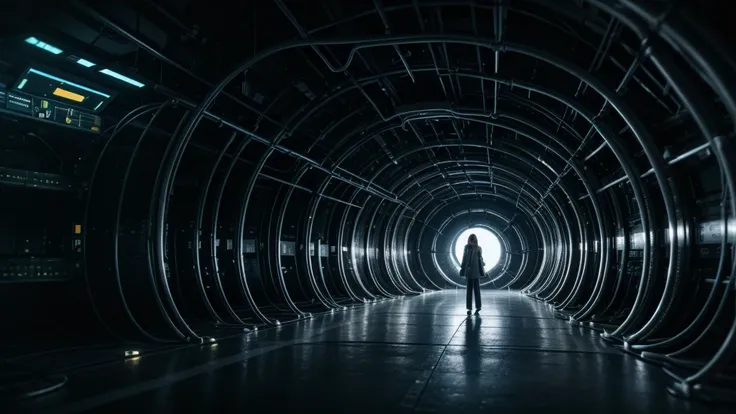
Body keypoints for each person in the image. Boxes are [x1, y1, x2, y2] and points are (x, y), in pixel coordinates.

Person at [459, 233, 485, 315]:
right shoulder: (467, 247)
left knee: (475, 290)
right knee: (470, 290)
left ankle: (476, 307)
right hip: (470, 272)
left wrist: (463, 268)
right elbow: (464, 258)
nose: (471, 241)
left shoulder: (477, 248)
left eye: (472, 239)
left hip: (474, 271)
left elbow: (480, 259)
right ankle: (471, 307)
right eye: (471, 239)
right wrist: (463, 268)